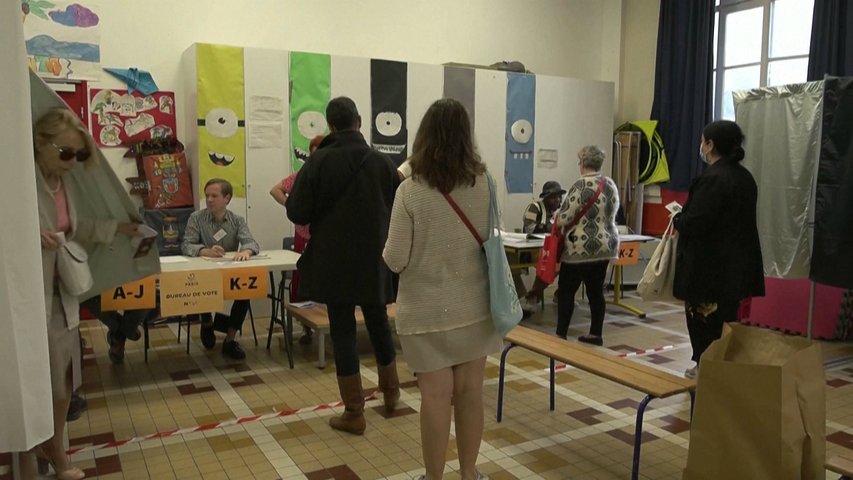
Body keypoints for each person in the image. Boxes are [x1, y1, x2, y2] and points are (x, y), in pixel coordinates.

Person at [384, 98, 501, 480]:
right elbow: (491, 240)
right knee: (470, 395)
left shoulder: (410, 191)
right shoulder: (486, 184)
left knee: (435, 399)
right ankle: (469, 473)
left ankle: (433, 477)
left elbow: (395, 258)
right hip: (475, 309)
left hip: (425, 313)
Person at [32, 108, 142, 480]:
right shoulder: (19, 180)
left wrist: (122, 228)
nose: (72, 162)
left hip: (61, 293)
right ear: (39, 143)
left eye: (79, 156)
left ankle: (52, 448)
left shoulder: (63, 184)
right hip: (26, 298)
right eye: (66, 154)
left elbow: (77, 228)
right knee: (35, 380)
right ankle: (44, 451)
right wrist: (29, 237)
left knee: (62, 381)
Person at [286, 96, 400, 435]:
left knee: (343, 331)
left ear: (330, 125)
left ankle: (354, 412)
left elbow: (297, 212)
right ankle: (391, 393)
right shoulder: (382, 162)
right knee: (379, 322)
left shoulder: (319, 162)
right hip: (375, 259)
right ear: (360, 122)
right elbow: (400, 207)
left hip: (334, 262)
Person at [673, 120, 764, 379]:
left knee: (703, 321)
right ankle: (718, 365)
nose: (701, 146)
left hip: (709, 268)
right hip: (736, 267)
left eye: (703, 141)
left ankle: (707, 366)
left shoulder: (714, 178)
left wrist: (679, 219)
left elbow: (697, 222)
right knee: (725, 319)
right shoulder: (744, 177)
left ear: (710, 144)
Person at [182, 178, 260, 360]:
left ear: (227, 198)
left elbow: (251, 242)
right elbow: (186, 245)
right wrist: (204, 250)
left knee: (244, 293)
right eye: (207, 195)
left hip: (230, 273)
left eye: (214, 196)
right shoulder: (196, 218)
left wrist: (246, 251)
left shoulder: (237, 220)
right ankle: (207, 322)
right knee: (200, 286)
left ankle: (230, 340)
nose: (209, 199)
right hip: (205, 274)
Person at [554, 145, 620, 346]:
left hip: (579, 247)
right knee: (595, 291)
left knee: (566, 291)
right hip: (604, 246)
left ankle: (561, 334)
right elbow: (613, 211)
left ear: (583, 163)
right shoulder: (610, 185)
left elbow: (564, 217)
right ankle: (595, 333)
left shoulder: (580, 186)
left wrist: (557, 217)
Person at [270, 134, 324, 345]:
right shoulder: (302, 175)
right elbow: (275, 190)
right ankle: (305, 328)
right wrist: (291, 206)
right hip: (304, 234)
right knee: (301, 278)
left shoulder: (333, 176)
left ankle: (324, 321)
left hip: (325, 234)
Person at [516, 181, 566, 314]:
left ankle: (560, 294)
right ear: (546, 197)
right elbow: (529, 228)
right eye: (554, 197)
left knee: (567, 263)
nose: (558, 200)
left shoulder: (557, 213)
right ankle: (532, 296)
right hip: (530, 250)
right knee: (550, 265)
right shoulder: (534, 207)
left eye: (559, 197)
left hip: (549, 250)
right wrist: (552, 228)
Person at [79, 296, 157, 364]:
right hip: (146, 299)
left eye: (117, 349)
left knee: (92, 303)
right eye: (120, 350)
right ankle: (119, 335)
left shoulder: (123, 328)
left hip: (143, 299)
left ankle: (119, 335)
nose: (120, 349)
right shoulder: (127, 329)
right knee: (124, 328)